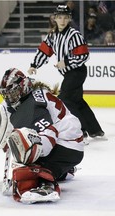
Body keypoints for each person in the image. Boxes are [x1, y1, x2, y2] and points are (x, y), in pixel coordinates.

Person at [0, 68, 84, 204]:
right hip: (70, 144)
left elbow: (50, 133)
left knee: (28, 161)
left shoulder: (33, 105)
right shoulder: (33, 97)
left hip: (68, 147)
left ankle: (47, 185)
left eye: (14, 93)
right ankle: (63, 170)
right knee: (26, 150)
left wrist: (32, 157)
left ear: (24, 86)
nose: (10, 98)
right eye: (7, 95)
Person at [27, 5, 105, 139]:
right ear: (55, 18)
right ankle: (95, 130)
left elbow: (84, 55)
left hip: (77, 72)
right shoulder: (52, 35)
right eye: (59, 17)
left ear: (69, 18)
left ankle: (81, 131)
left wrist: (66, 62)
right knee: (77, 101)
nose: (62, 20)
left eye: (65, 17)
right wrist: (34, 65)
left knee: (65, 99)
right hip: (69, 73)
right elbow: (44, 51)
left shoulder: (74, 35)